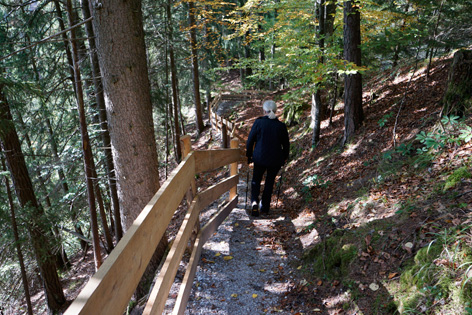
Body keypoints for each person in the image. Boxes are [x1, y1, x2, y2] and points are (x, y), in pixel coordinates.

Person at [246, 100, 290, 217]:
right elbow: (286, 144)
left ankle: (254, 202)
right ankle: (265, 208)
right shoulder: (280, 126)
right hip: (275, 159)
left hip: (259, 158)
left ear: (264, 111)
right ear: (275, 111)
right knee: (269, 183)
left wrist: (249, 155)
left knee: (256, 180)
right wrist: (285, 157)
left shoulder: (258, 123)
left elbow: (250, 140)